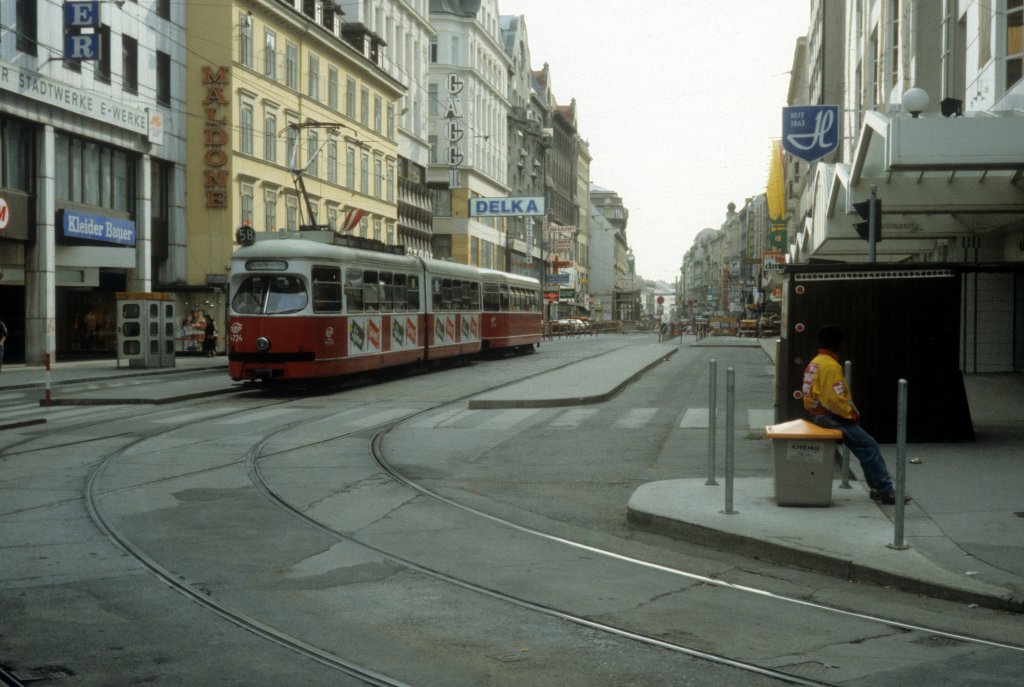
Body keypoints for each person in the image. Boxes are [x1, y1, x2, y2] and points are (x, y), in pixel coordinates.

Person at [801, 324, 907, 505]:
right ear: (838, 344)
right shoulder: (831, 366)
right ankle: (886, 491)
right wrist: (851, 415)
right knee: (869, 446)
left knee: (865, 449)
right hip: (831, 417)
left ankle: (877, 489)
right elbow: (834, 399)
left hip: (819, 414)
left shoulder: (815, 362)